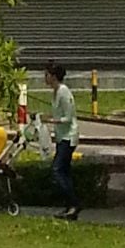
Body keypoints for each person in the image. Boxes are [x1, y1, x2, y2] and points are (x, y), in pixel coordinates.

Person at [45, 61, 79, 218]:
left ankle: (74, 204)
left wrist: (53, 121)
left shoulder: (64, 92)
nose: (45, 78)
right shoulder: (56, 91)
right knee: (64, 171)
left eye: (47, 75)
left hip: (68, 136)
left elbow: (68, 117)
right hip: (61, 136)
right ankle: (70, 206)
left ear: (53, 77)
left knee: (57, 170)